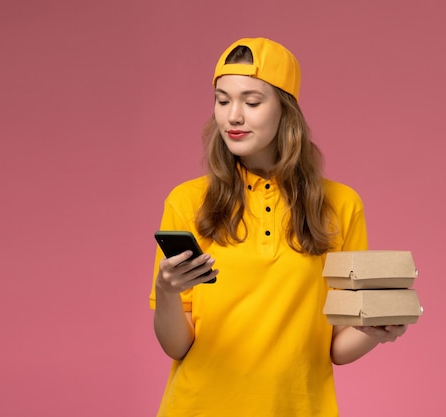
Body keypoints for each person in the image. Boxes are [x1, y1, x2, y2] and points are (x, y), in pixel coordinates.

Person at [149, 37, 407, 416]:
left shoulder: (340, 205)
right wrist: (166, 290)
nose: (233, 116)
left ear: (286, 110)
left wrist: (375, 331)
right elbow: (176, 346)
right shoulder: (188, 202)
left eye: (251, 102)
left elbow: (335, 347)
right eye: (223, 100)